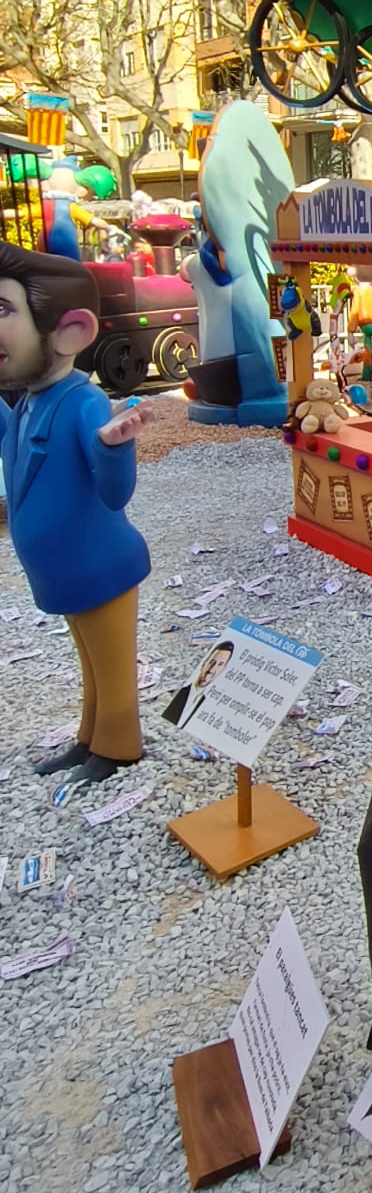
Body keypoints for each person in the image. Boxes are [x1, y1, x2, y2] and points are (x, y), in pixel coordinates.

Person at [0, 244, 150, 790]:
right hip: (63, 569)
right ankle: (91, 737)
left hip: (99, 563)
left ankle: (119, 744)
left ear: (69, 331)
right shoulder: (29, 401)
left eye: (3, 310)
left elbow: (115, 494)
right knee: (90, 662)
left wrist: (114, 447)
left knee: (112, 665)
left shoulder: (82, 402)